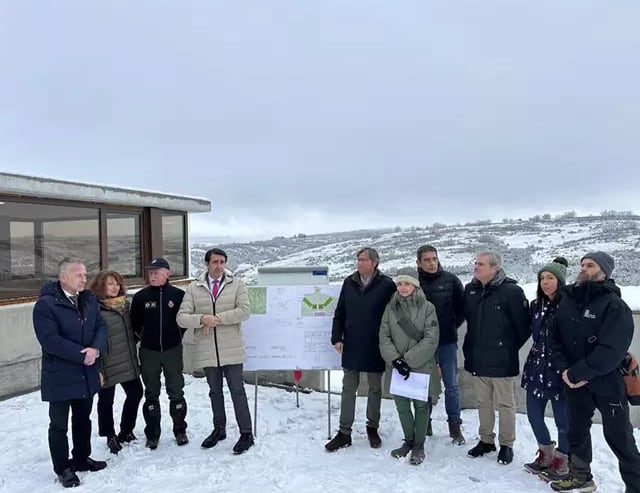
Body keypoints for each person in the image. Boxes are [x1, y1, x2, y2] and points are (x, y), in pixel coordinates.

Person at [547, 252, 640, 493]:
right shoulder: (568, 300)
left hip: (607, 383)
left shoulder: (615, 306)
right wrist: (566, 371)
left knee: (620, 438)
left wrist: (578, 373)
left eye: (590, 265)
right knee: (576, 430)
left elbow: (612, 349)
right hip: (574, 382)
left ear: (604, 272)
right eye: (582, 265)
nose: (584, 268)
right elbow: (554, 338)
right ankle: (580, 476)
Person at [33, 257, 108, 488]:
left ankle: (81, 458)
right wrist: (81, 354)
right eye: (79, 275)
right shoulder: (46, 305)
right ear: (63, 277)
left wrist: (95, 348)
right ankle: (63, 468)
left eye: (85, 274)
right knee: (59, 425)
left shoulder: (88, 300)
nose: (84, 279)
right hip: (60, 375)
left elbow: (100, 326)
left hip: (86, 372)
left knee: (83, 418)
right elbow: (50, 340)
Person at [176, 248, 254, 454]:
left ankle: (246, 433)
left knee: (237, 391)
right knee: (214, 392)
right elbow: (182, 317)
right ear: (207, 264)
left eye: (222, 262)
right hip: (207, 348)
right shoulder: (194, 288)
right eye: (215, 262)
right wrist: (202, 319)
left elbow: (244, 311)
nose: (219, 266)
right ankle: (219, 429)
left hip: (232, 348)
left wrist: (215, 319)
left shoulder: (236, 284)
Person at [325, 247, 396, 451]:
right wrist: (337, 337)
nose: (359, 263)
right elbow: (340, 311)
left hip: (375, 344)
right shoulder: (349, 282)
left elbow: (393, 315)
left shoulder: (386, 285)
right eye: (357, 259)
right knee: (348, 388)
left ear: (374, 262)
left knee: (374, 389)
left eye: (363, 260)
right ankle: (344, 432)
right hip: (352, 343)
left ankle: (372, 427)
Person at [463, 251, 529, 465]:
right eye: (476, 263)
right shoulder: (470, 290)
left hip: (502, 360)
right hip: (477, 357)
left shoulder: (512, 291)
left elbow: (523, 328)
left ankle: (507, 445)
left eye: (481, 264)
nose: (476, 267)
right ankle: (486, 440)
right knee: (483, 403)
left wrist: (506, 347)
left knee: (506, 405)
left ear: (495, 268)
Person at [379, 268, 441, 465]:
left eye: (407, 283)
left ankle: (419, 444)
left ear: (415, 285)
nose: (403, 287)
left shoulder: (427, 307)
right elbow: (384, 335)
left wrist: (408, 360)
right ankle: (408, 440)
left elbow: (432, 338)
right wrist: (396, 360)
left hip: (420, 364)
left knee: (421, 406)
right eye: (399, 284)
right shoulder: (391, 308)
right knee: (402, 406)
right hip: (397, 366)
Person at [130, 257, 187, 449]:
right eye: (150, 272)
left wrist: (177, 336)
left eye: (156, 272)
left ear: (167, 273)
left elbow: (185, 321)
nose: (152, 275)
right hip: (149, 352)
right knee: (151, 393)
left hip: (172, 350)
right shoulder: (140, 297)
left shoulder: (178, 295)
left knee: (176, 391)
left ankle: (180, 431)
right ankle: (152, 433)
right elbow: (134, 325)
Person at [520, 258, 569, 480]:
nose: (545, 282)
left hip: (560, 372)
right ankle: (546, 454)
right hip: (536, 368)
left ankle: (562, 459)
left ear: (560, 281)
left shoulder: (569, 305)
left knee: (563, 421)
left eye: (550, 278)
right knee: (534, 416)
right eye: (542, 278)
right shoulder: (535, 305)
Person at [416, 244, 466, 444]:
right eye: (426, 260)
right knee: (424, 385)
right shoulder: (414, 283)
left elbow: (461, 309)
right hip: (423, 343)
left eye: (434, 259)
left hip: (446, 341)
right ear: (418, 262)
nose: (431, 263)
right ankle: (424, 423)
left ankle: (455, 426)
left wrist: (450, 326)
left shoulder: (451, 280)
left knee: (451, 386)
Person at [90, 270, 144, 454]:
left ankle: (126, 430)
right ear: (101, 286)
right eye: (110, 284)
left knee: (136, 393)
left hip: (127, 359)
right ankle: (109, 435)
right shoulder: (95, 309)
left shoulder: (125, 305)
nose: (114, 287)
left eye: (117, 284)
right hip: (106, 361)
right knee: (106, 400)